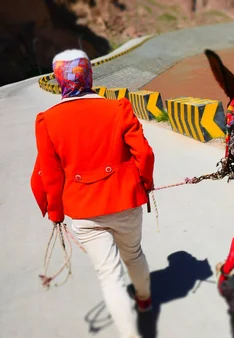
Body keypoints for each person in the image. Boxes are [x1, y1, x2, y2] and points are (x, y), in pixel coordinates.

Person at [30, 49, 155, 338]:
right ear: (89, 75)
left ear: (59, 79)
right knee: (133, 254)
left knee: (109, 276)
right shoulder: (119, 108)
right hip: (126, 201)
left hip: (84, 212)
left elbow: (50, 173)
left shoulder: (47, 120)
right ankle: (144, 299)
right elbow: (145, 155)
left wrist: (57, 213)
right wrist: (144, 184)